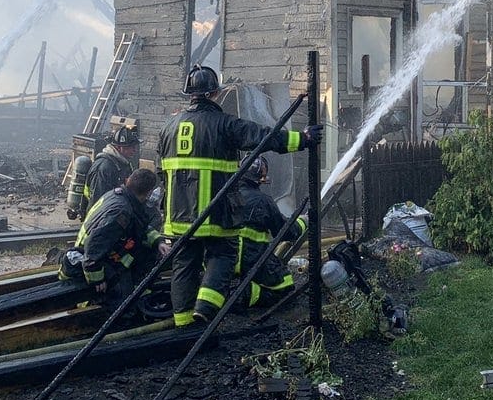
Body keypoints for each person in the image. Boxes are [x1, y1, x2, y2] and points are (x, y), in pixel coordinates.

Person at [157, 64, 322, 328]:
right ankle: (205, 310)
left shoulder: (168, 128)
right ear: (215, 93)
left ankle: (183, 327)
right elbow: (261, 136)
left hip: (178, 217)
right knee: (223, 255)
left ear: (190, 94)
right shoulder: (224, 124)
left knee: (184, 267)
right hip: (216, 214)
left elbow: (160, 172)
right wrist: (302, 139)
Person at [59, 167, 167, 309]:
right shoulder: (121, 212)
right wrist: (97, 280)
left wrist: (158, 242)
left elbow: (139, 226)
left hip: (100, 253)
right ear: (147, 193)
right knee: (122, 306)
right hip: (91, 261)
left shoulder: (122, 196)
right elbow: (94, 245)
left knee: (147, 252)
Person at [236, 155, 306, 308]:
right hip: (252, 260)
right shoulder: (262, 201)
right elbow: (286, 232)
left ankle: (237, 289)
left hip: (223, 261)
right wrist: (302, 222)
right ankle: (245, 295)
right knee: (286, 286)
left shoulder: (227, 195)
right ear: (261, 175)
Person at [80, 126, 140, 219]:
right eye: (131, 147)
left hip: (116, 212)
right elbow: (98, 202)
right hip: (101, 218)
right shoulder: (103, 168)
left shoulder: (123, 163)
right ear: (119, 147)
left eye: (135, 146)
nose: (134, 150)